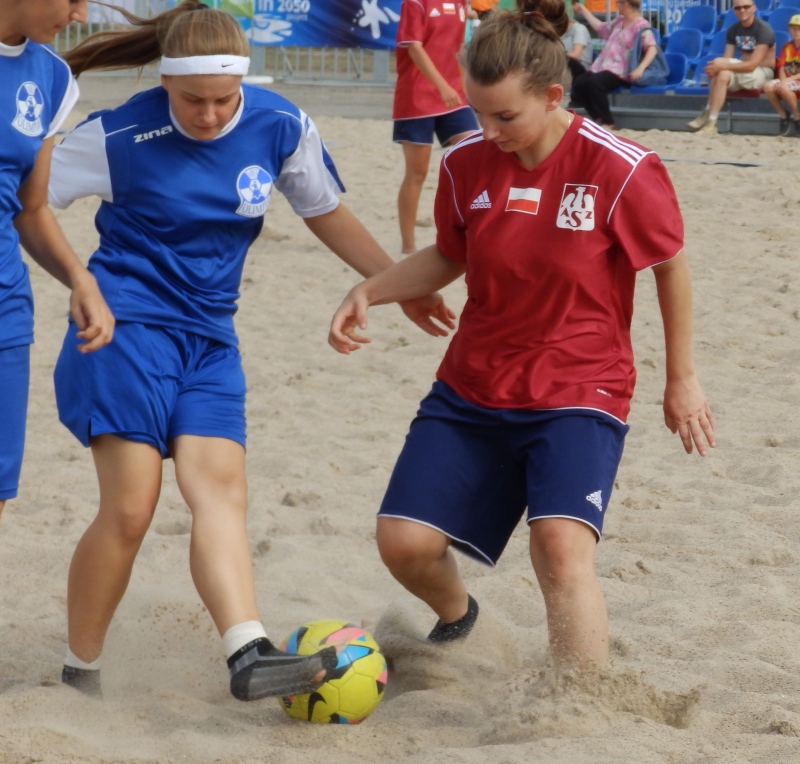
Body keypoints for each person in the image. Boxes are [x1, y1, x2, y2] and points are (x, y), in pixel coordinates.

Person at [48, 0, 454, 700]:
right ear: (165, 82)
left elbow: (323, 209)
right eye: (192, 100)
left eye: (222, 99)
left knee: (222, 494)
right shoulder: (114, 134)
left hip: (210, 340)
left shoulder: (279, 123)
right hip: (121, 331)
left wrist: (390, 282)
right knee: (132, 507)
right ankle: (79, 671)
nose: (209, 116)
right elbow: (22, 205)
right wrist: (77, 279)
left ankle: (247, 654)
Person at [329, 0, 714, 670]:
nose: (488, 130)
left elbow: (669, 266)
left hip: (578, 384)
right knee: (403, 543)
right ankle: (460, 616)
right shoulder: (466, 163)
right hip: (475, 382)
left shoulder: (619, 167)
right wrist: (374, 288)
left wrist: (681, 378)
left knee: (561, 553)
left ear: (554, 95)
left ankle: (578, 701)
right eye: (478, 113)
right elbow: (448, 255)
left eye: (504, 115)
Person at [0, 1, 114, 520]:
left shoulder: (51, 75)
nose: (80, 12)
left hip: (5, 308)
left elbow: (31, 206)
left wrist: (79, 277)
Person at [394, 0, 479, 255]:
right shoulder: (415, 3)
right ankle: (408, 244)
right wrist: (442, 86)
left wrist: (466, 88)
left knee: (476, 157)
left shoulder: (461, 3)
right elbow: (415, 49)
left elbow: (457, 49)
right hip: (417, 96)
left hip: (454, 96)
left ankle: (471, 229)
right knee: (417, 173)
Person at [686, 0, 775, 134]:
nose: (742, 10)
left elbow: (752, 65)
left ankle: (708, 112)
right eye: (738, 8)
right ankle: (711, 121)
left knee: (719, 65)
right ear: (734, 11)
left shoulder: (763, 29)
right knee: (722, 74)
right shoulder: (733, 30)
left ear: (754, 8)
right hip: (743, 70)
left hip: (762, 72)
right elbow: (728, 59)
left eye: (746, 7)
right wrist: (719, 67)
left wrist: (721, 64)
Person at [571, 0, 658, 130]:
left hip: (621, 69)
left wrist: (641, 68)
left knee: (595, 83)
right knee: (580, 82)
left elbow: (652, 48)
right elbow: (600, 28)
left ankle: (608, 121)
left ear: (626, 4)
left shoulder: (641, 25)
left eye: (618, 3)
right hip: (603, 66)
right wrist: (584, 10)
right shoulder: (619, 21)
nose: (616, 5)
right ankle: (597, 117)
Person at [763, 14, 800, 137]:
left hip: (797, 80)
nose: (796, 32)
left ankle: (797, 115)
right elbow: (782, 67)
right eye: (794, 28)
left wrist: (786, 82)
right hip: (789, 80)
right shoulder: (787, 47)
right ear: (789, 30)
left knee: (784, 87)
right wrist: (783, 80)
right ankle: (783, 114)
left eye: (799, 29)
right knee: (768, 86)